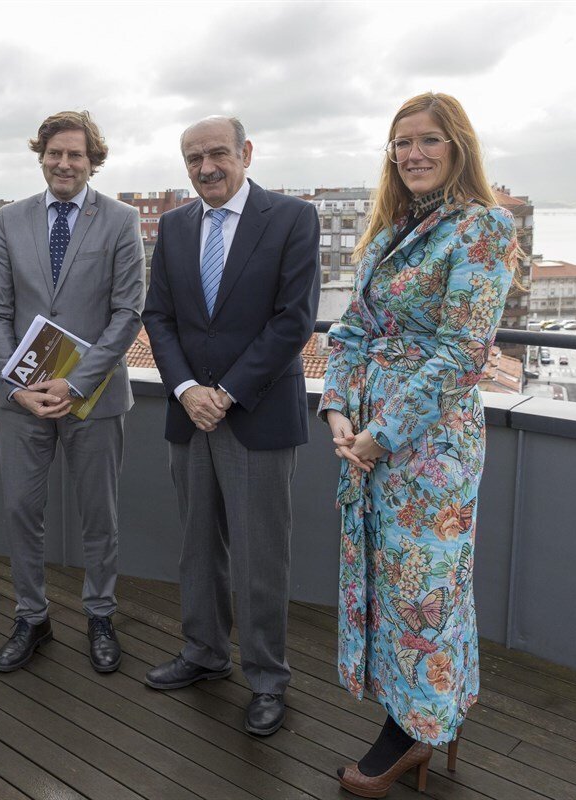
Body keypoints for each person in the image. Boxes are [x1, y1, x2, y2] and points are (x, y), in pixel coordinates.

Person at [319, 92, 518, 797]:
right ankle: (424, 717)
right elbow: (349, 331)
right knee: (387, 582)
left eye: (428, 139)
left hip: (432, 449)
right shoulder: (389, 230)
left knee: (424, 587)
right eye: (402, 142)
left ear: (458, 146)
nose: (413, 153)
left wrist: (381, 434)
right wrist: (337, 409)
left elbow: (462, 353)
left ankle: (412, 731)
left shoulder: (483, 227)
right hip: (368, 438)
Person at [141, 116, 320, 736]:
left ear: (246, 152)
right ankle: (204, 652)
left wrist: (226, 392)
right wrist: (187, 390)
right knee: (197, 546)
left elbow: (294, 320)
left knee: (259, 556)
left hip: (257, 414)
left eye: (217, 153)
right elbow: (158, 316)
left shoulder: (292, 218)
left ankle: (267, 678)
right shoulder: (173, 225)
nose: (206, 167)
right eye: (193, 158)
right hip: (189, 414)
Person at [0, 110, 144, 674]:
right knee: (21, 511)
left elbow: (128, 312)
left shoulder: (121, 219)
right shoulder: (12, 219)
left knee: (99, 515)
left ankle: (100, 614)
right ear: (41, 157)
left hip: (93, 398)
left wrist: (76, 382)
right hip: (23, 399)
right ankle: (32, 616)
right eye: (55, 153)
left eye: (76, 154)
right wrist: (18, 384)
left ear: (92, 161)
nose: (64, 163)